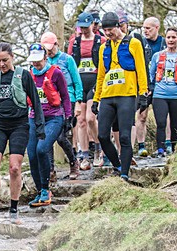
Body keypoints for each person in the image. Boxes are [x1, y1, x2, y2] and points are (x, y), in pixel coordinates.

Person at [0, 42, 45, 221]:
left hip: (19, 125)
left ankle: (14, 208)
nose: (2, 64)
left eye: (5, 60)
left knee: (15, 168)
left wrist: (40, 127)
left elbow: (36, 102)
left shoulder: (23, 75)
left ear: (12, 57)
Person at [92, 12, 149, 182]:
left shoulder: (134, 43)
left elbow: (141, 69)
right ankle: (117, 165)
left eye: (110, 30)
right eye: (105, 30)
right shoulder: (104, 47)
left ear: (118, 26)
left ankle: (124, 173)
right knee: (102, 135)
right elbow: (101, 75)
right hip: (108, 96)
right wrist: (96, 99)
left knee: (124, 136)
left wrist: (143, 93)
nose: (108, 33)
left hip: (127, 95)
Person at [26, 43, 71, 206]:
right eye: (33, 61)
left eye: (39, 60)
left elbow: (65, 96)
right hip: (34, 118)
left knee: (42, 149)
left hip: (54, 117)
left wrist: (68, 117)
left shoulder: (56, 73)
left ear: (46, 57)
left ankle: (46, 189)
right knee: (31, 153)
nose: (36, 63)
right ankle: (40, 191)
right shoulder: (29, 75)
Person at [40, 32, 82, 180]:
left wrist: (78, 101)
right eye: (46, 49)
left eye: (51, 48)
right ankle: (50, 169)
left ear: (57, 44)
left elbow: (77, 81)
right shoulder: (42, 62)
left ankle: (73, 162)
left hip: (67, 99)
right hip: (49, 102)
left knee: (61, 137)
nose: (49, 51)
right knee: (48, 137)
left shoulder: (67, 59)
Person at [68, 12, 102, 170]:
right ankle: (85, 155)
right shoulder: (74, 42)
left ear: (92, 25)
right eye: (81, 27)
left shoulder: (101, 41)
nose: (84, 30)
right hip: (80, 84)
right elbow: (69, 63)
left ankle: (98, 148)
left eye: (86, 26)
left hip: (94, 83)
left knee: (90, 118)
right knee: (80, 121)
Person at [150, 28, 177, 156]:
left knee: (175, 125)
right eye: (168, 37)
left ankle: (175, 150)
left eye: (173, 37)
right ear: (165, 39)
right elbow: (151, 75)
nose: (171, 40)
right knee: (161, 122)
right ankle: (161, 149)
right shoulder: (157, 56)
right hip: (160, 94)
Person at [133, 17, 164, 156]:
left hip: (160, 85)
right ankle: (141, 146)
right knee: (141, 115)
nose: (145, 31)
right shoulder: (140, 42)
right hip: (144, 84)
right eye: (143, 28)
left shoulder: (164, 42)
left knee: (161, 116)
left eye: (148, 28)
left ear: (157, 28)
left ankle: (164, 145)